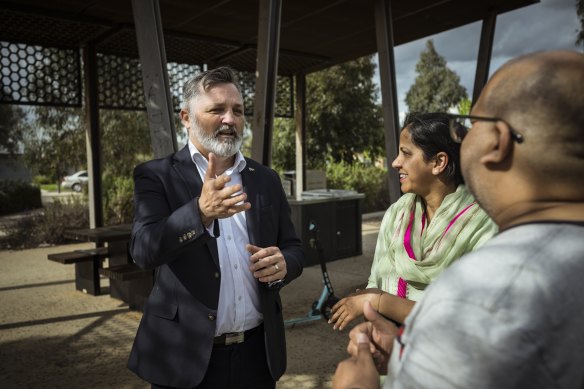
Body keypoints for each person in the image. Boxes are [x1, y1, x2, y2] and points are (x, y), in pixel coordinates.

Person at [333, 49, 584, 389]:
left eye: (471, 123)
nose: (462, 137)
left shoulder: (478, 293)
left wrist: (357, 386)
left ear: (498, 141)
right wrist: (404, 350)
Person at [127, 66, 304, 389]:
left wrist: (284, 264)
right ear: (185, 117)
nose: (230, 119)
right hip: (185, 359)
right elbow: (143, 250)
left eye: (237, 110)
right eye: (217, 109)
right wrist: (199, 213)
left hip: (256, 356)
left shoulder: (265, 178)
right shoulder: (157, 176)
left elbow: (293, 247)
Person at [329, 112, 497, 330]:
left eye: (406, 154)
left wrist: (379, 301)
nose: (395, 163)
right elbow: (375, 282)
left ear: (438, 162)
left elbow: (466, 316)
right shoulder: (396, 215)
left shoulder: (483, 225)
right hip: (393, 350)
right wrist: (375, 327)